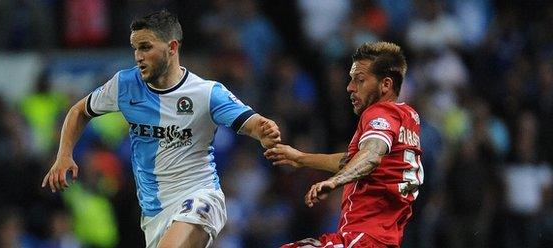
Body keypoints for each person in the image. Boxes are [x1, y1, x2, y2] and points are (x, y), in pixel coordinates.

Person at [41, 10, 281, 248]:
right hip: (154, 214)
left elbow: (251, 122)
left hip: (199, 196)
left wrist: (265, 130)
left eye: (146, 47)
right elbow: (79, 111)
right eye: (135, 48)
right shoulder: (125, 84)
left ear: (172, 47)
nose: (138, 56)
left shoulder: (206, 93)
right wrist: (64, 155)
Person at [265, 41, 422, 248]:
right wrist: (301, 158)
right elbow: (355, 160)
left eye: (360, 80)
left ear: (385, 84)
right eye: (351, 80)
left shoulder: (380, 113)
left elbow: (371, 155)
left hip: (363, 240)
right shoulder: (408, 118)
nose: (350, 87)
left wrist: (335, 182)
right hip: (384, 240)